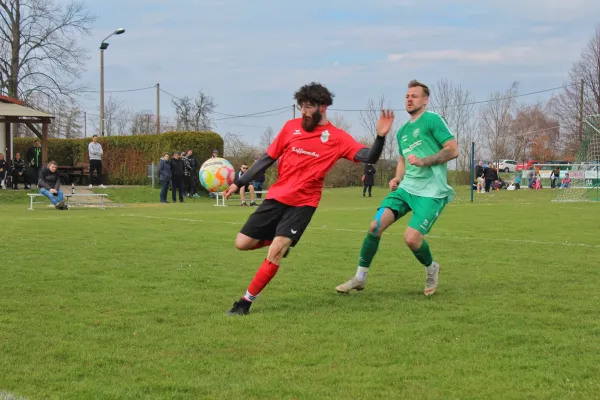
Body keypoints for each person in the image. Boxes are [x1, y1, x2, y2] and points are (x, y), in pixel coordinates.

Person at [223, 82, 394, 315]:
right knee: (241, 243)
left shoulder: (337, 138)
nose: (303, 111)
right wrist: (239, 182)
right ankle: (281, 245)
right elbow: (267, 158)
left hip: (303, 204)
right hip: (277, 197)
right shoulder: (290, 128)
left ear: (323, 107)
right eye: (301, 106)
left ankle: (245, 302)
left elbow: (368, 156)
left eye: (309, 106)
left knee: (275, 251)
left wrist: (380, 137)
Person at [335, 80, 458, 297]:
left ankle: (432, 268)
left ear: (425, 100)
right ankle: (360, 278)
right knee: (375, 226)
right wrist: (397, 178)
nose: (410, 99)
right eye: (407, 96)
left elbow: (452, 150)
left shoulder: (432, 120)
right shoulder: (402, 132)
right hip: (406, 189)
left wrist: (425, 160)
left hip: (431, 192)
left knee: (411, 239)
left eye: (415, 96)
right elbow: (402, 161)